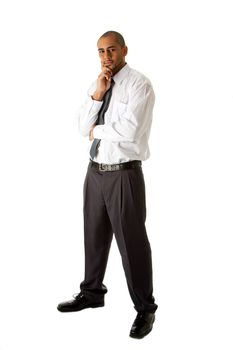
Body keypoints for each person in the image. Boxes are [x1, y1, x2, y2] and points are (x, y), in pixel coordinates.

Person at [57, 30, 158, 339]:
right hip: (96, 171)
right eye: (101, 51)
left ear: (124, 50)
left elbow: (128, 131)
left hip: (124, 173)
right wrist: (98, 94)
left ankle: (145, 308)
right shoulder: (99, 82)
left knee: (132, 243)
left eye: (111, 50)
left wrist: (95, 131)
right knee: (94, 235)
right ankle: (92, 292)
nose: (106, 57)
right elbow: (80, 127)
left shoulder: (139, 84)